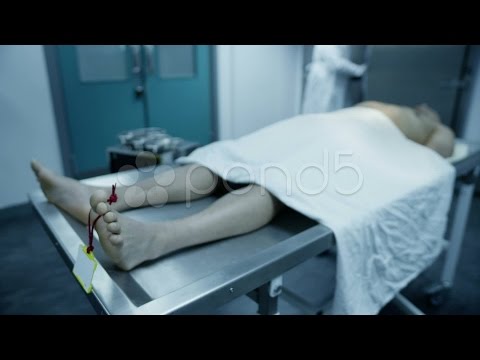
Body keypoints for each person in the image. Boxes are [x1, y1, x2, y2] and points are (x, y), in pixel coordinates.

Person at [31, 101, 455, 271]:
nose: (426, 106)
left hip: (359, 140)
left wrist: (420, 136)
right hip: (325, 124)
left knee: (279, 182)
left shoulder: (430, 125)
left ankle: (156, 240)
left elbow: (435, 158)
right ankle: (105, 196)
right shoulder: (385, 103)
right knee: (224, 161)